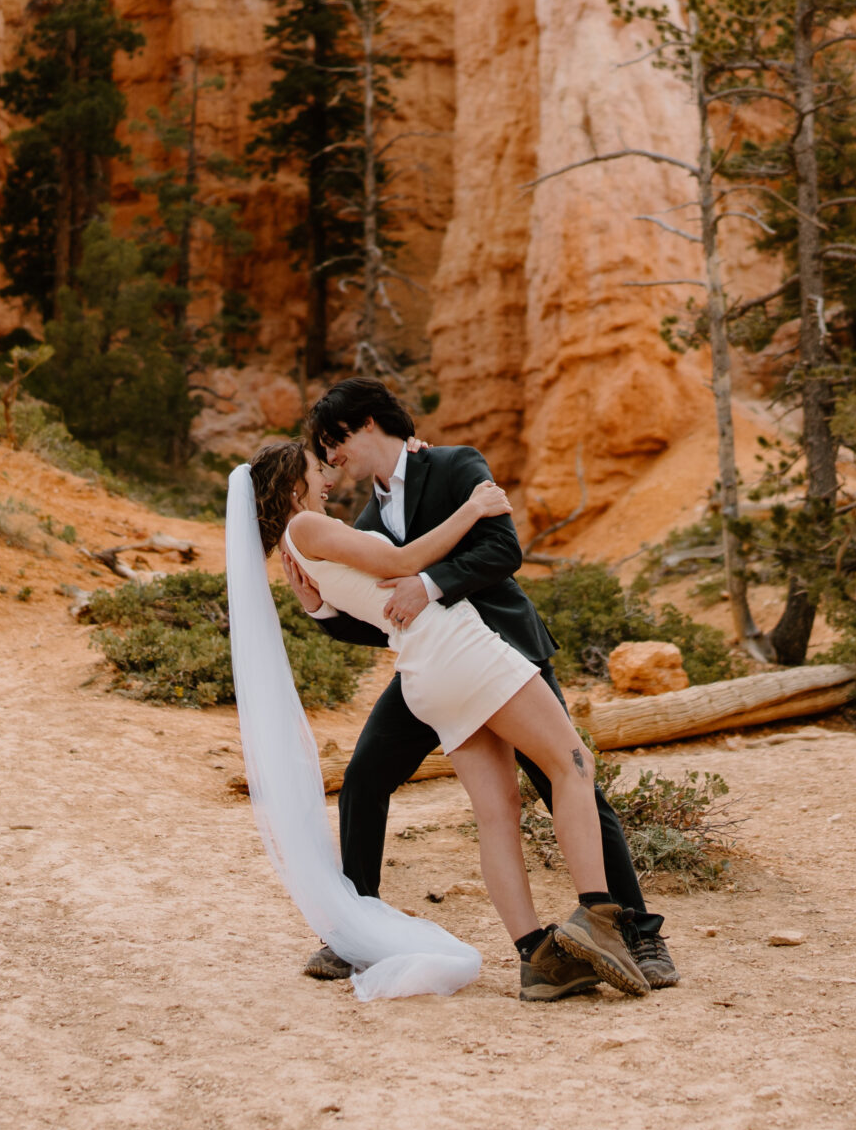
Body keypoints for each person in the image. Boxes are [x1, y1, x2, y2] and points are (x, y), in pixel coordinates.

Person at [282, 378, 679, 995]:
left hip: (502, 651)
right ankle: (356, 932)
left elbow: (502, 551)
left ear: (365, 424)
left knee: (560, 781)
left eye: (335, 443)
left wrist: (430, 583)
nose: (334, 460)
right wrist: (322, 613)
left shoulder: (454, 465)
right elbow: (385, 622)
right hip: (436, 666)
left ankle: (640, 934)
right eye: (324, 453)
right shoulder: (363, 522)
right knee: (365, 776)